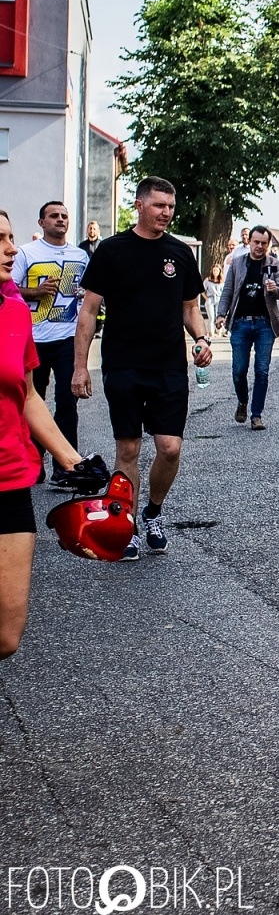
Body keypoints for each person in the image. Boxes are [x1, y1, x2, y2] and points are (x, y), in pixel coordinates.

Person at [71, 176, 212, 561]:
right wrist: (80, 368)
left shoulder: (181, 253)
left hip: (168, 367)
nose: (167, 212)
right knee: (128, 448)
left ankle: (153, 512)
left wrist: (201, 340)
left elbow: (190, 310)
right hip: (123, 365)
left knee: (169, 448)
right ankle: (129, 523)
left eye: (171, 206)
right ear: (139, 205)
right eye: (159, 206)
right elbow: (87, 312)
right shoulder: (112, 251)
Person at [0, 208, 107, 656]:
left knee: (6, 635)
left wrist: (74, 462)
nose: (10, 250)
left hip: (9, 480)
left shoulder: (13, 311)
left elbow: (25, 394)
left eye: (9, 238)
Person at [14, 202, 90, 487]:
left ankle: (66, 466)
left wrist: (86, 293)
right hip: (32, 337)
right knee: (33, 402)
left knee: (66, 402)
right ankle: (35, 464)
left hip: (67, 337)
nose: (60, 220)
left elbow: (93, 292)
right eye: (54, 216)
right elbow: (8, 288)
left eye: (64, 216)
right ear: (41, 222)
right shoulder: (26, 253)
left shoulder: (80, 256)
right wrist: (34, 291)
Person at [215, 225, 279, 430]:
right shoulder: (237, 263)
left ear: (268, 244)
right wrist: (221, 315)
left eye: (264, 243)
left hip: (265, 324)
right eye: (256, 242)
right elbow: (227, 291)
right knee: (239, 371)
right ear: (249, 242)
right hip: (240, 323)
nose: (260, 246)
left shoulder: (275, 264)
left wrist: (275, 289)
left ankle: (257, 415)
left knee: (262, 371)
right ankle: (243, 401)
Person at [203, 263, 224, 337]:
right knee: (211, 317)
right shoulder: (208, 280)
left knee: (219, 317)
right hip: (210, 298)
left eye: (217, 270)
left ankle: (219, 333)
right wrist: (206, 298)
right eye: (214, 270)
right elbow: (202, 291)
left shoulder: (222, 281)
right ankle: (211, 333)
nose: (215, 272)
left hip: (219, 299)